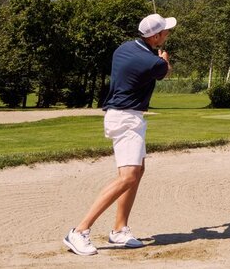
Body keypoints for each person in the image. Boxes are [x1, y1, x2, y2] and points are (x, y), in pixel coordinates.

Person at [63, 13, 176, 256]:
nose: (168, 33)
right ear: (155, 36)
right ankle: (79, 231)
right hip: (126, 118)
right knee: (128, 176)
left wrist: (156, 56)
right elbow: (165, 71)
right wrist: (164, 60)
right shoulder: (154, 62)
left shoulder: (123, 48)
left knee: (137, 172)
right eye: (165, 31)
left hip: (123, 115)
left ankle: (119, 229)